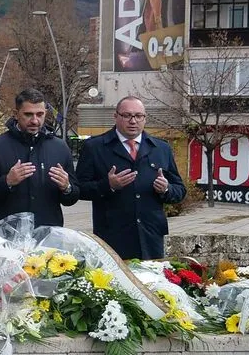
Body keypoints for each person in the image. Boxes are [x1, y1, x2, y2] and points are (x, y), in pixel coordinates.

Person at [75, 96, 185, 260]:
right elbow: (79, 189)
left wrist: (167, 188)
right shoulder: (95, 147)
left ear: (145, 118)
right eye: (127, 115)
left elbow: (180, 190)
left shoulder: (161, 148)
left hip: (151, 237)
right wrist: (109, 185)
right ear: (116, 117)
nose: (133, 121)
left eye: (138, 116)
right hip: (113, 236)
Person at [0, 88, 79, 227]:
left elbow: (72, 198)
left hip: (48, 236)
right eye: (28, 115)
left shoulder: (60, 147)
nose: (35, 121)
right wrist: (7, 182)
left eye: (40, 114)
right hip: (7, 236)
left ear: (45, 114)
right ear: (16, 114)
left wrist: (67, 187)